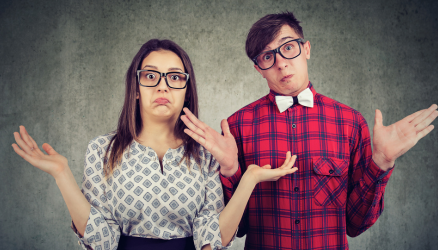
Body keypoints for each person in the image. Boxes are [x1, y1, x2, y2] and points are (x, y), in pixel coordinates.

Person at [180, 12, 438, 249]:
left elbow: (356, 225)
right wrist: (231, 170)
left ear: (306, 50)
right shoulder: (237, 127)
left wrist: (381, 163)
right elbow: (239, 228)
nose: (281, 63)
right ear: (258, 69)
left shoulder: (350, 122)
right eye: (268, 56)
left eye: (288, 48)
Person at [12, 39, 298, 250]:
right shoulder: (102, 150)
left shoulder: (205, 154)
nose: (162, 87)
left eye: (175, 77)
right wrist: (62, 174)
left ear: (186, 91)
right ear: (136, 88)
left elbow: (213, 240)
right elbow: (102, 241)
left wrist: (248, 178)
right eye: (150, 76)